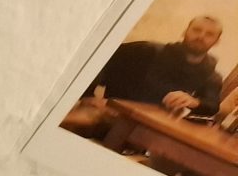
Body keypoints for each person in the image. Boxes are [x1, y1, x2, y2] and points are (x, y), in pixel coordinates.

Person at [62, 15, 226, 136]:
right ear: (185, 31)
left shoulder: (211, 74)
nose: (201, 36)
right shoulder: (147, 51)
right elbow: (100, 59)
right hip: (110, 113)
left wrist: (195, 101)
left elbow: (212, 106)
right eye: (196, 30)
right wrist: (87, 95)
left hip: (154, 129)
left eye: (209, 34)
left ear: (217, 41)